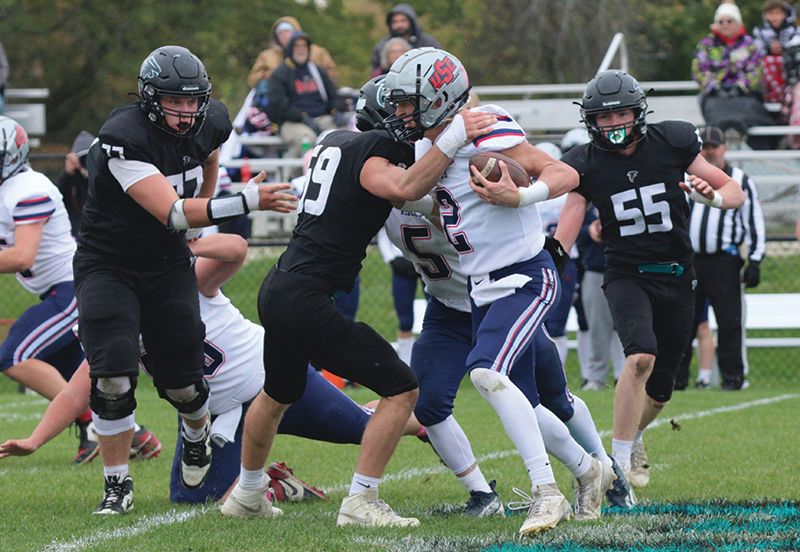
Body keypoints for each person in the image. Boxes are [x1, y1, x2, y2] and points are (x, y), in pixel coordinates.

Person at [220, 70, 495, 527]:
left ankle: (246, 494)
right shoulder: (374, 152)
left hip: (280, 286)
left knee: (276, 393)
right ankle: (361, 500)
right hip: (307, 297)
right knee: (402, 388)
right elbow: (405, 189)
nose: (411, 118)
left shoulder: (334, 141)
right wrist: (457, 137)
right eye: (404, 109)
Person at [0, 233, 427, 505]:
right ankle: (273, 480)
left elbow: (236, 249)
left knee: (360, 431)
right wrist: (36, 440)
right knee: (193, 497)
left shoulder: (184, 281)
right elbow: (81, 387)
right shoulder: (110, 316)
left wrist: (182, 244)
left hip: (273, 386)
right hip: (216, 420)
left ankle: (414, 423)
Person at [74, 44, 296, 515]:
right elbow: (172, 211)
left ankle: (197, 433)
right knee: (112, 373)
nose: (186, 111)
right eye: (175, 102)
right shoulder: (123, 135)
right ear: (151, 98)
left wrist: (203, 218)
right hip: (108, 261)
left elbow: (209, 159)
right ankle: (117, 484)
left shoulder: (210, 119)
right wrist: (244, 202)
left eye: (193, 101)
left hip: (166, 260)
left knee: (184, 383)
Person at [383, 47, 583, 536]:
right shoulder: (436, 145)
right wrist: (449, 139)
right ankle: (590, 469)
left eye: (408, 103)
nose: (401, 113)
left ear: (438, 97)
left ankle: (546, 491)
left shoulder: (486, 125)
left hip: (524, 274)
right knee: (528, 399)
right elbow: (412, 188)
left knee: (487, 374)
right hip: (479, 286)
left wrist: (522, 195)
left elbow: (564, 174)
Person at [549, 70, 744, 493]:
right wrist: (548, 262)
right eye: (604, 117)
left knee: (660, 391)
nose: (613, 123)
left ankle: (635, 435)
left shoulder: (672, 141)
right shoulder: (585, 161)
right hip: (626, 273)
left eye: (620, 113)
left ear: (637, 112)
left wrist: (710, 197)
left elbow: (733, 191)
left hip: (677, 273)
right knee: (639, 357)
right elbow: (568, 224)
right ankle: (616, 470)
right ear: (590, 122)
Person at [0, 115, 100, 465]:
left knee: (15, 355)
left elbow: (21, 255)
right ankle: (136, 436)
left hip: (72, 289)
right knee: (85, 381)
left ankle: (92, 423)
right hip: (59, 290)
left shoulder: (27, 189)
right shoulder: (10, 189)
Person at [676, 126, 766, 391]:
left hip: (723, 261)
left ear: (724, 148)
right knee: (683, 321)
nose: (710, 152)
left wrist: (756, 259)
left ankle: (733, 377)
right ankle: (677, 377)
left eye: (715, 147)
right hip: (691, 260)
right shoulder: (687, 177)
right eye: (705, 147)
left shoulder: (740, 179)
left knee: (729, 321)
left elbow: (754, 221)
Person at [692, 2, 776, 149]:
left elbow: (756, 70)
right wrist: (714, 86)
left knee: (751, 113)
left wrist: (741, 86)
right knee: (716, 115)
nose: (725, 24)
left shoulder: (750, 45)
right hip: (715, 95)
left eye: (729, 21)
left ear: (737, 23)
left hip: (745, 95)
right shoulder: (706, 45)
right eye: (721, 21)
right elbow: (699, 70)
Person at [266, 32, 338, 165]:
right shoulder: (280, 73)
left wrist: (336, 111)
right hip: (292, 122)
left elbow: (333, 95)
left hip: (321, 118)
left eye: (304, 46)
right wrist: (302, 117)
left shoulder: (317, 71)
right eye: (297, 46)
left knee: (337, 137)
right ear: (290, 49)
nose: (301, 49)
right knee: (306, 141)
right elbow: (278, 104)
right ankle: (291, 178)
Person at [247, 16, 337, 87]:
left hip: (310, 95)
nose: (285, 36)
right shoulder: (266, 56)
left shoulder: (317, 52)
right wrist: (269, 75)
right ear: (276, 37)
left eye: (287, 32)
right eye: (281, 33)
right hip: (277, 97)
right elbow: (252, 80)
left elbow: (332, 76)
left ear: (296, 32)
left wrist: (311, 76)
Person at [376, 227, 419, 364]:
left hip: (429, 261)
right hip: (402, 263)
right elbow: (383, 231)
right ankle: (407, 363)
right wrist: (390, 258)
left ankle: (435, 362)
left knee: (437, 315)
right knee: (405, 320)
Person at [371, 4, 442, 73]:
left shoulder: (428, 43)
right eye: (395, 21)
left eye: (403, 21)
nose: (399, 25)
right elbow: (376, 75)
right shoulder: (382, 47)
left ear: (411, 22)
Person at [752, 1, 799, 105]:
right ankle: (773, 98)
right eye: (771, 13)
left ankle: (788, 95)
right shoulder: (761, 32)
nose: (774, 17)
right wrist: (769, 50)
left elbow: (796, 46)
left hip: (789, 69)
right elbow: (756, 50)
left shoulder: (793, 30)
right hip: (768, 71)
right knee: (767, 62)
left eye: (778, 13)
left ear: (785, 14)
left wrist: (784, 50)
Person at [55, 131, 94, 236]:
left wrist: (93, 173)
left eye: (90, 157)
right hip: (74, 234)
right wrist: (67, 174)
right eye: (83, 158)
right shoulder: (70, 179)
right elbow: (56, 199)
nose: (86, 162)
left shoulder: (101, 177)